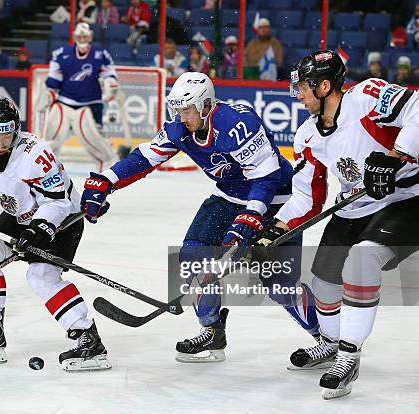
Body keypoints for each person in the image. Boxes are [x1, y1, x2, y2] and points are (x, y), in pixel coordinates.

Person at [80, 71, 320, 363]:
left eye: (187, 110)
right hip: (229, 197)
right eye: (177, 110)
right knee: (193, 256)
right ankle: (212, 331)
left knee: (279, 285)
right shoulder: (179, 128)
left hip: (275, 200)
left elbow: (266, 179)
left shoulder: (236, 124)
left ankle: (326, 337)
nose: (181, 117)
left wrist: (251, 217)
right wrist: (106, 181)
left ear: (206, 106)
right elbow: (145, 157)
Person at [255, 50, 418, 400]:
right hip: (354, 206)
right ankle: (329, 343)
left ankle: (349, 355)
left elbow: (417, 106)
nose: (297, 95)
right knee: (324, 283)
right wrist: (277, 227)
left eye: (303, 87)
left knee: (362, 260)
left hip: (405, 199)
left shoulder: (368, 96)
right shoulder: (307, 136)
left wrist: (395, 157)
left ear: (325, 85)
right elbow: (307, 196)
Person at [0, 98, 112, 371]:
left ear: (16, 131)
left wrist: (40, 227)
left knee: (40, 276)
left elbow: (58, 202)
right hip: (19, 215)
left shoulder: (35, 154)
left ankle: (87, 337)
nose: (0, 144)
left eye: (6, 135)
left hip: (62, 219)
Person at [38, 22, 119, 172]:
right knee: (51, 138)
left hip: (91, 104)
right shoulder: (61, 54)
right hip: (65, 103)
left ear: (91, 36)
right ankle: (46, 171)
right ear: (75, 36)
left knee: (98, 142)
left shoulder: (101, 54)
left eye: (85, 35)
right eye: (79, 35)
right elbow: (53, 81)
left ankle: (108, 173)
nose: (82, 38)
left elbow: (110, 75)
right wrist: (48, 93)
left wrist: (110, 83)